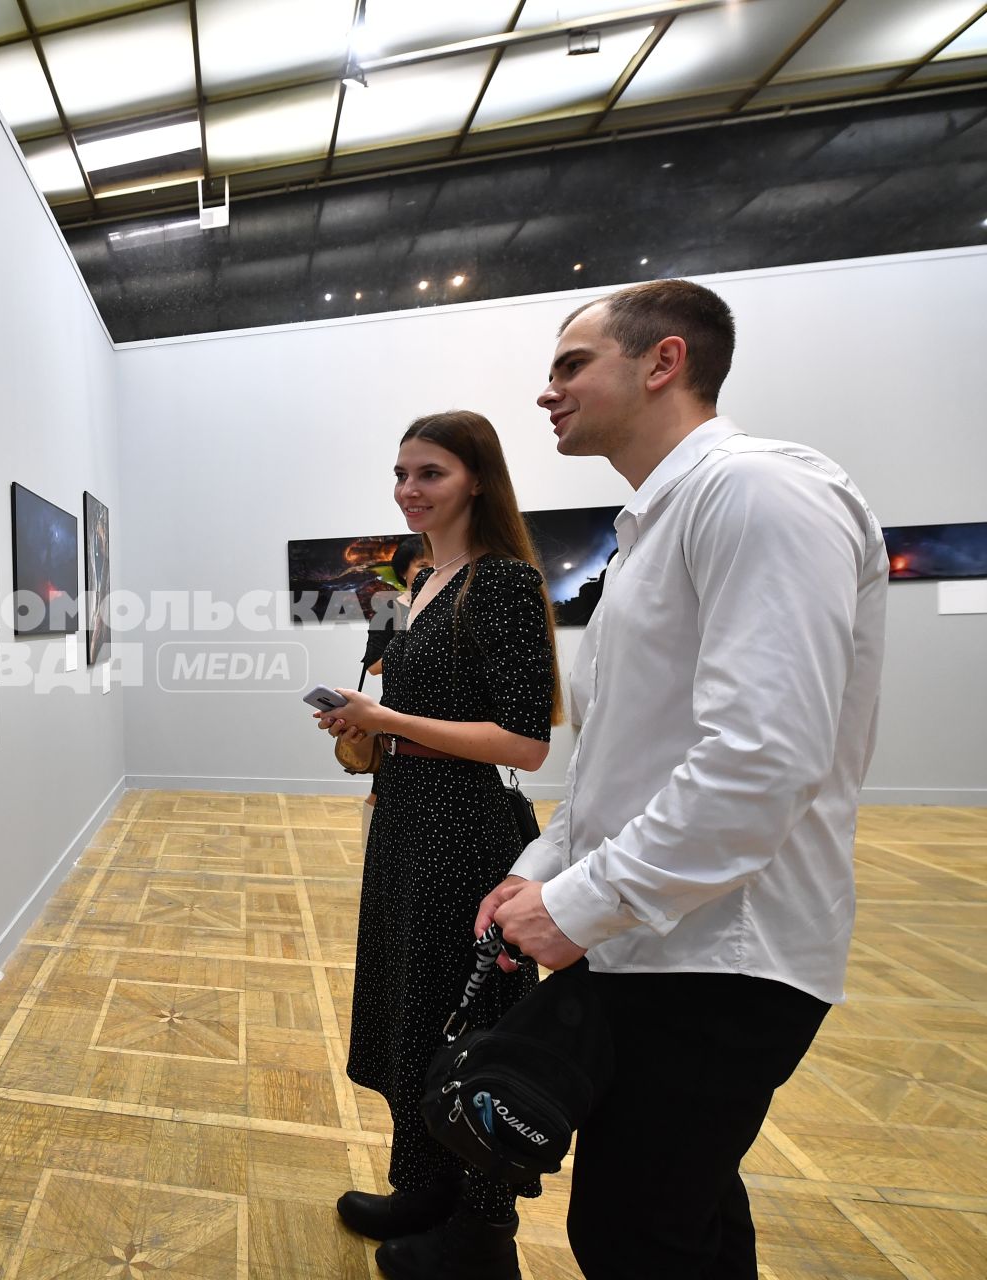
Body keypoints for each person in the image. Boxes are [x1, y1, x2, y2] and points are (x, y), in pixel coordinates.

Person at [476, 279, 887, 1279]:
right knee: (675, 1214)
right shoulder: (658, 526)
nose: (548, 392)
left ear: (663, 361)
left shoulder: (758, 490)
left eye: (571, 364)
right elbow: (619, 764)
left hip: (724, 954)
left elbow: (761, 757)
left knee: (637, 1229)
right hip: (656, 938)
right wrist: (540, 870)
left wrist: (576, 902)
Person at [315, 410, 562, 1279]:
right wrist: (368, 726)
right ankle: (421, 1185)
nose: (408, 491)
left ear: (478, 481)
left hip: (464, 826)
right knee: (410, 1002)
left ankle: (483, 1234)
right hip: (408, 816)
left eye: (430, 474)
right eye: (401, 473)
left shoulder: (499, 583)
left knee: (468, 1020)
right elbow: (410, 711)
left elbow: (525, 741)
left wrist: (388, 719)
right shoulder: (420, 580)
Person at [361, 535, 429, 678]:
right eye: (423, 566)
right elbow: (373, 666)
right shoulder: (387, 611)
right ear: (403, 572)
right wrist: (420, 655)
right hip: (404, 697)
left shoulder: (452, 604)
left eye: (436, 566)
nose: (431, 571)